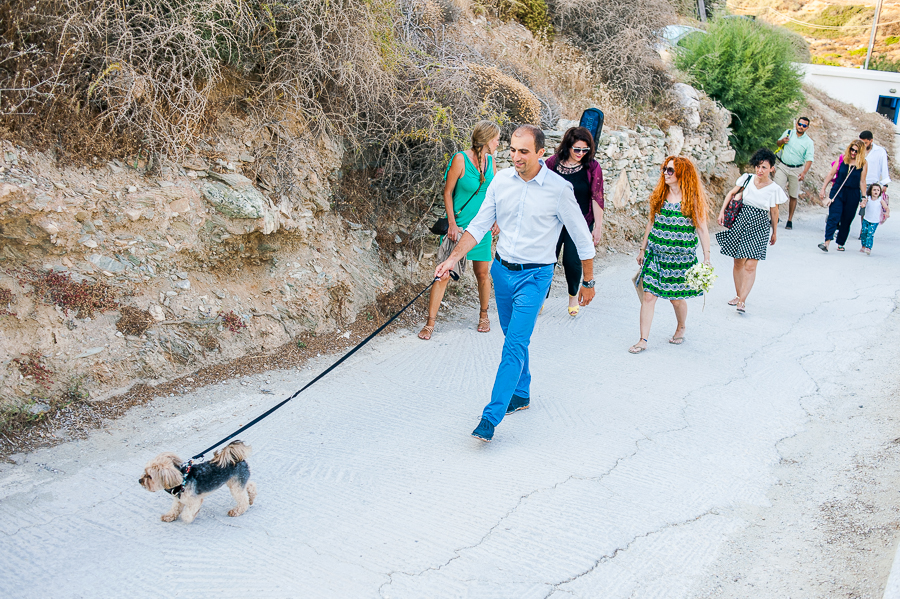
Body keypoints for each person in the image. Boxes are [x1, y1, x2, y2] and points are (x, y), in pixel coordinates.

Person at [434, 124, 596, 443]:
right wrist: (452, 259)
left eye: (523, 151)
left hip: (535, 276)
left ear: (540, 153)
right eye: (512, 149)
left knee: (513, 345)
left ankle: (491, 416)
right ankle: (521, 392)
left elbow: (581, 237)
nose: (515, 156)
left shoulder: (558, 190)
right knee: (513, 338)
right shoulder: (501, 182)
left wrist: (588, 280)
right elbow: (479, 225)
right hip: (502, 271)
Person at [418, 121, 500, 340]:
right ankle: (430, 323)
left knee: (482, 274)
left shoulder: (491, 162)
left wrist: (496, 219)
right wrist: (452, 224)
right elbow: (447, 192)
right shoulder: (460, 159)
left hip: (481, 230)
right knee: (443, 274)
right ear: (486, 139)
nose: (498, 143)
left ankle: (484, 315)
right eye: (496, 139)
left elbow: (495, 195)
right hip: (460, 228)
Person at [629, 157, 711, 354]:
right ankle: (643, 339)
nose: (666, 173)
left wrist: (707, 257)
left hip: (680, 260)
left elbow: (702, 230)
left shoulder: (692, 200)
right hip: (655, 256)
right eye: (665, 169)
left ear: (682, 174)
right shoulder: (660, 195)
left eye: (671, 170)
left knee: (676, 299)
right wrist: (642, 249)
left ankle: (681, 326)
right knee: (649, 296)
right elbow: (651, 223)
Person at [715, 149, 787, 314]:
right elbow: (731, 193)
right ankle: (739, 294)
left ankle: (742, 301)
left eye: (764, 167)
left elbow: (774, 212)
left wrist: (774, 232)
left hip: (760, 225)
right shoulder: (747, 179)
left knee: (751, 265)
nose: (760, 170)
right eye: (758, 166)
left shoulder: (774, 189)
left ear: (772, 169)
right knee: (738, 262)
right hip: (742, 221)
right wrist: (721, 212)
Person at [543, 127, 605, 316]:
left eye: (585, 150)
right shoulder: (553, 163)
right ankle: (541, 298)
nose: (580, 154)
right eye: (576, 149)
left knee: (572, 261)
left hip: (579, 222)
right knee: (546, 259)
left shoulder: (592, 167)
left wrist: (598, 227)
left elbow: (597, 197)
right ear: (568, 146)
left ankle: (572, 296)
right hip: (553, 221)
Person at [818, 139, 867, 252]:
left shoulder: (863, 163)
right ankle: (826, 242)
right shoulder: (842, 158)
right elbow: (831, 173)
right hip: (838, 191)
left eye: (856, 151)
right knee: (833, 216)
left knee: (847, 218)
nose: (853, 152)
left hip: (853, 193)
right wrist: (823, 188)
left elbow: (862, 181)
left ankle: (841, 242)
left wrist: (864, 197)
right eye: (852, 149)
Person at [774, 117, 814, 230]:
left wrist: (804, 173)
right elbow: (777, 143)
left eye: (804, 125)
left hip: (797, 169)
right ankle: (774, 216)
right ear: (796, 124)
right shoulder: (788, 133)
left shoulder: (808, 142)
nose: (801, 126)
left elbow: (809, 159)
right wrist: (782, 141)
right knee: (776, 190)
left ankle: (790, 219)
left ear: (807, 127)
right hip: (783, 166)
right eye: (800, 124)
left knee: (793, 194)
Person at [858, 130, 891, 233]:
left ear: (871, 140)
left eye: (865, 143)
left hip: (871, 184)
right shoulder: (857, 149)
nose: (863, 145)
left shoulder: (880, 151)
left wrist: (884, 183)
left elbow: (884, 167)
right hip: (857, 182)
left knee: (867, 209)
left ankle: (864, 230)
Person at [859, 183, 890, 255]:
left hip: (874, 221)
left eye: (878, 190)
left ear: (880, 192)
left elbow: (886, 208)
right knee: (864, 233)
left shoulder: (880, 200)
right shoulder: (868, 198)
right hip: (866, 219)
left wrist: (887, 213)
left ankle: (868, 247)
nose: (876, 192)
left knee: (870, 234)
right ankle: (863, 245)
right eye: (874, 190)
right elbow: (864, 203)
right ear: (871, 191)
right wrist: (863, 205)